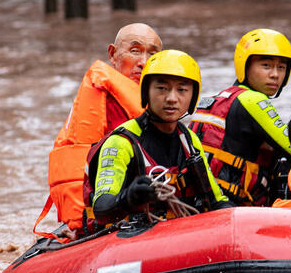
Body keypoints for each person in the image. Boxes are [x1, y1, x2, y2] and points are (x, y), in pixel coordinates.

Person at [35, 23, 163, 237]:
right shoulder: (103, 97)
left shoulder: (162, 102)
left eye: (152, 54)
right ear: (112, 54)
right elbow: (83, 166)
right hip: (104, 213)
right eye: (134, 51)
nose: (143, 62)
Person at [85, 50, 230, 227]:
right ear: (146, 92)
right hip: (131, 238)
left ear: (193, 97)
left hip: (180, 234)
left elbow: (216, 201)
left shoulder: (190, 141)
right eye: (161, 88)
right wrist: (129, 197)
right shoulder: (122, 141)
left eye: (182, 90)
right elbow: (102, 210)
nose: (171, 99)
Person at [189, 28, 291, 206]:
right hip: (231, 206)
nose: (275, 75)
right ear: (245, 66)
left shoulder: (221, 98)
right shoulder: (252, 100)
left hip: (200, 201)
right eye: (266, 66)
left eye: (281, 67)